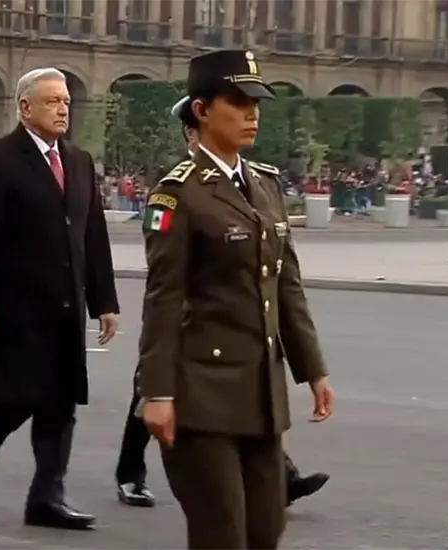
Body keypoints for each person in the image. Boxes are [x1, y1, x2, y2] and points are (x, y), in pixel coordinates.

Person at [137, 49, 335, 550]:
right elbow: (163, 297)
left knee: (266, 530)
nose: (252, 113)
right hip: (199, 392)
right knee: (221, 532)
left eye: (256, 102)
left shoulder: (265, 186)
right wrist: (156, 393)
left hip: (259, 393)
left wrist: (313, 369)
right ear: (201, 110)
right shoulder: (176, 195)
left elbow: (285, 284)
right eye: (238, 101)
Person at [0, 67, 119, 530]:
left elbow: (93, 235)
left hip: (66, 304)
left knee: (60, 402)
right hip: (17, 305)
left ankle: (47, 496)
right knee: (20, 394)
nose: (62, 108)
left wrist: (105, 300)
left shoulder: (80, 161)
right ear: (25, 107)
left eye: (66, 101)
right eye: (52, 101)